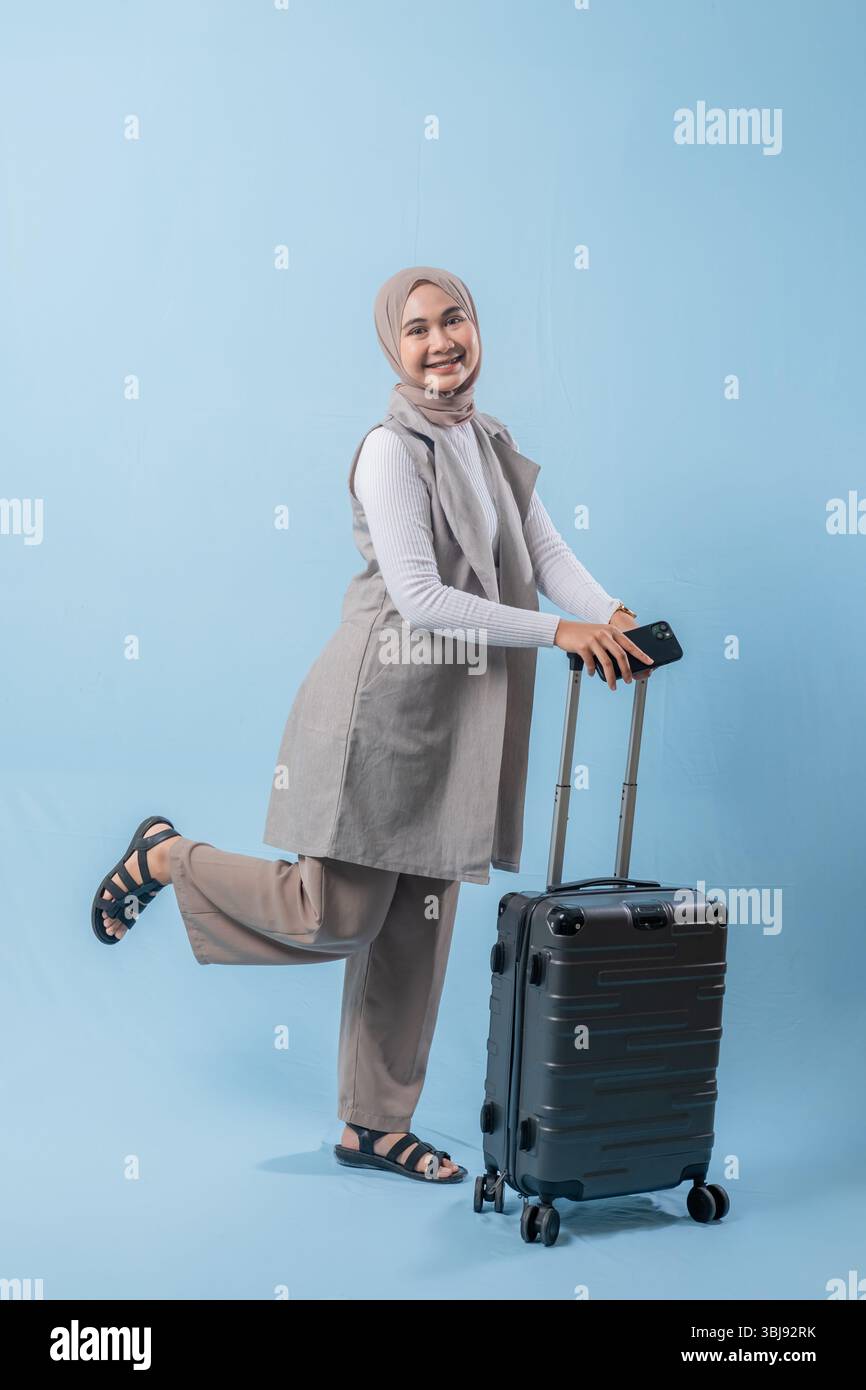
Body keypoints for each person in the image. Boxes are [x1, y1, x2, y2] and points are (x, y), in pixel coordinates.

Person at [90, 265, 653, 1188]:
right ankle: (164, 856)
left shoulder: (493, 440)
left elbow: (544, 552)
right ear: (394, 348)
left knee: (417, 931)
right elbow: (426, 602)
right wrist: (565, 633)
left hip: (456, 721)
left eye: (455, 319)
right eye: (417, 329)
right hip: (376, 716)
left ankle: (373, 1126)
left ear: (477, 326)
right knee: (333, 916)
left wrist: (616, 614)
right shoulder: (389, 451)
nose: (441, 342)